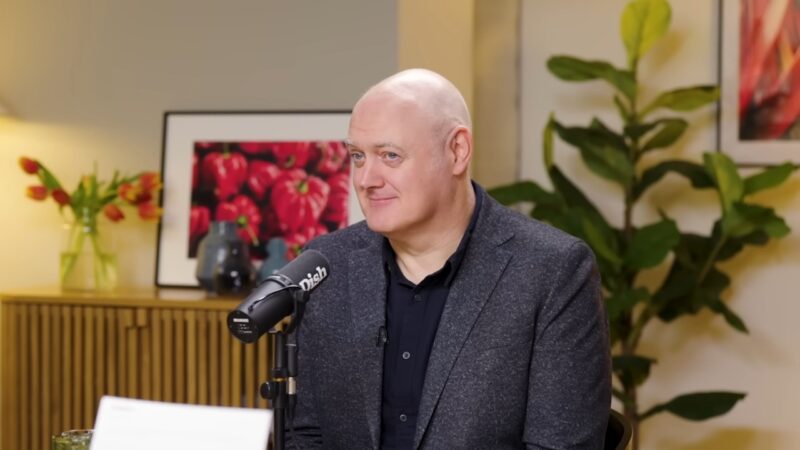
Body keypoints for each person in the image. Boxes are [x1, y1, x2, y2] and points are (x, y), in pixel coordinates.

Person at [288, 68, 611, 449]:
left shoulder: (554, 272)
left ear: (457, 151)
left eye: (390, 156)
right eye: (358, 156)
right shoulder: (326, 265)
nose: (365, 179)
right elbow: (305, 435)